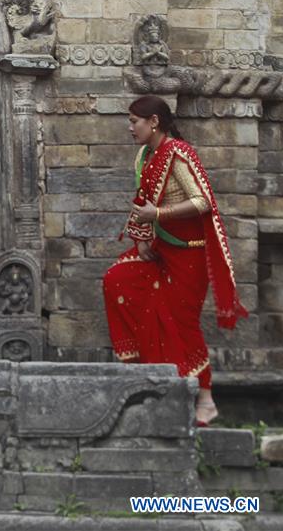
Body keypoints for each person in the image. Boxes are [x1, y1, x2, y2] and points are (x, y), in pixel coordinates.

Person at [103, 95, 248, 427]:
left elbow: (202, 202)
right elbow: (141, 200)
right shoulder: (145, 155)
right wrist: (140, 240)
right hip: (159, 248)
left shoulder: (179, 154)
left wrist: (160, 213)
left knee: (182, 322)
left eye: (133, 121)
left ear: (153, 122)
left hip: (189, 253)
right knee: (118, 280)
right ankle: (147, 378)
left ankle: (206, 399)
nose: (129, 128)